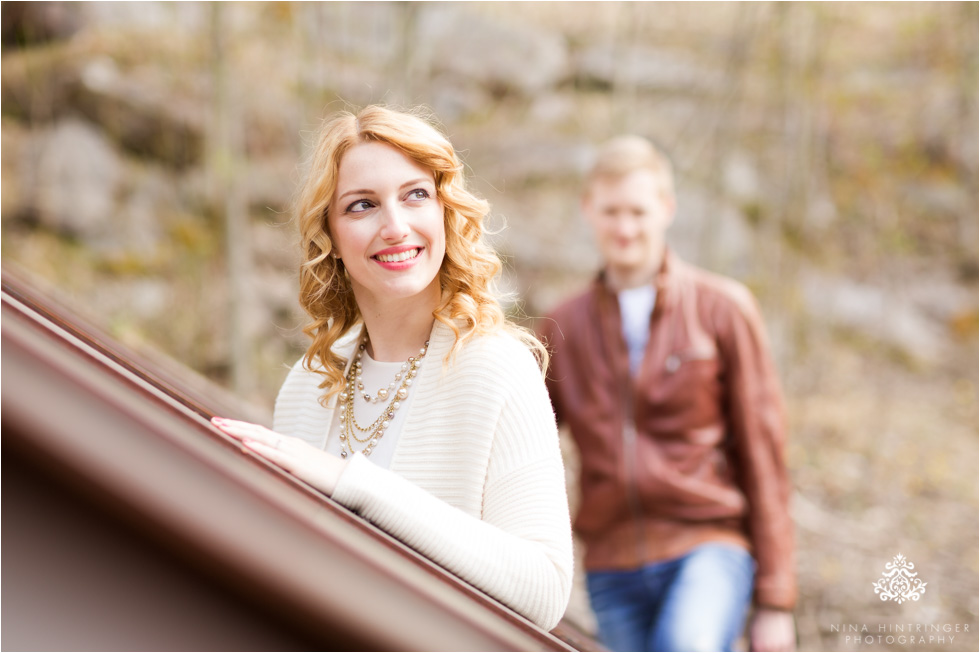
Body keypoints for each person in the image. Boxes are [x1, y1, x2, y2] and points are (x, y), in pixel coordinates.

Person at [211, 105, 573, 631]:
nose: (395, 227)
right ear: (329, 238)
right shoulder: (307, 386)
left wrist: (351, 482)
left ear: (445, 211)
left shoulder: (497, 368)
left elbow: (544, 589)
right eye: (362, 206)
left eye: (415, 195)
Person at [537, 136, 796, 651]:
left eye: (638, 210)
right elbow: (526, 447)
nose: (625, 227)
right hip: (611, 565)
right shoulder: (563, 325)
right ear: (589, 209)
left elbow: (763, 457)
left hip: (707, 545)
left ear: (667, 209)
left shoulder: (723, 309)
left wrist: (774, 599)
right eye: (611, 211)